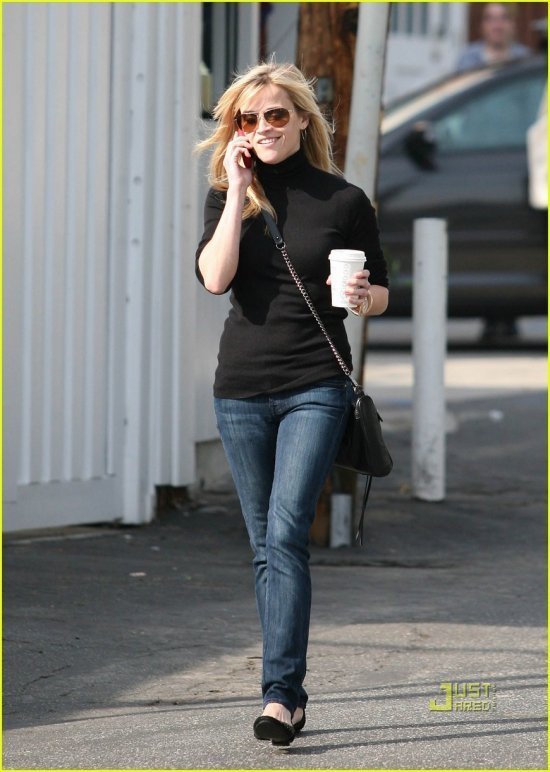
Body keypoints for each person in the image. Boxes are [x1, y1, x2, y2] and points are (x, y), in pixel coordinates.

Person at [195, 62, 389, 746]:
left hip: (316, 385)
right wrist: (238, 189)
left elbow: (380, 289)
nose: (263, 127)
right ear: (235, 129)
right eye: (247, 119)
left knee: (283, 534)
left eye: (276, 114)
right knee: (264, 544)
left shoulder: (343, 200)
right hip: (241, 390)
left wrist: (365, 297)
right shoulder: (228, 196)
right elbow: (214, 279)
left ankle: (280, 697)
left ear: (303, 120)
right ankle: (288, 694)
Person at [456, 2, 531, 72]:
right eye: (490, 19)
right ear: (481, 25)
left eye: (504, 18)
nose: (497, 26)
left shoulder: (525, 58)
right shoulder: (468, 60)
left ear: (513, 24)